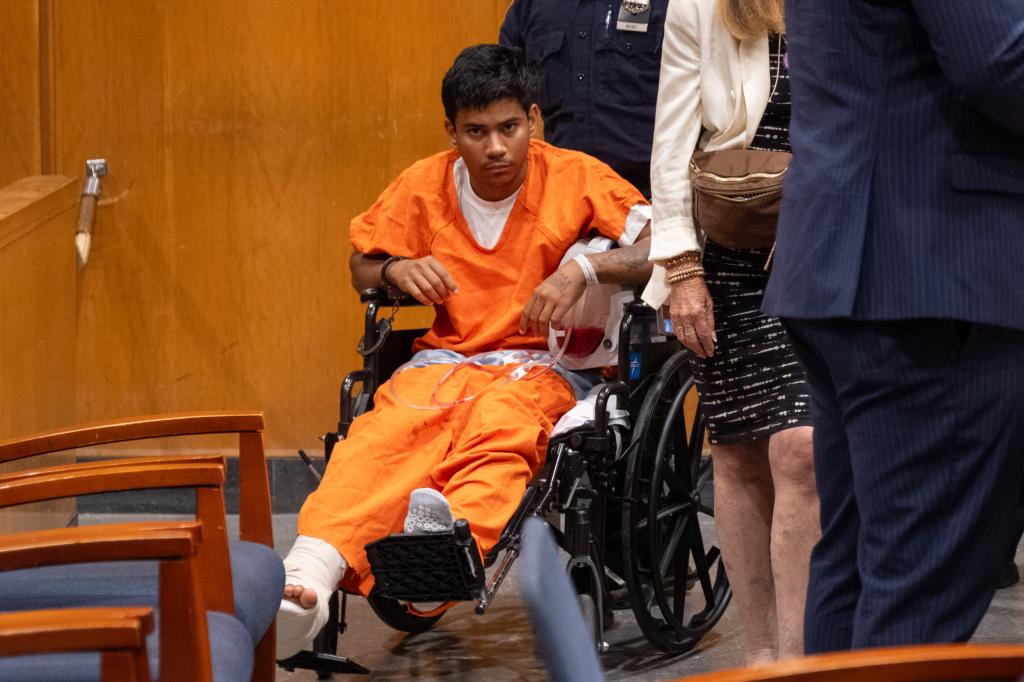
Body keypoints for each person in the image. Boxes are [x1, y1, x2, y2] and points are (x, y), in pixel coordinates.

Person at [275, 43, 655, 659]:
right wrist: (396, 269)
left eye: (509, 128)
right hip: (444, 361)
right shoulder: (423, 186)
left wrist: (585, 268)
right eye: (476, 132)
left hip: (542, 366)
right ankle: (307, 581)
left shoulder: (576, 176)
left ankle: (437, 563)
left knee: (500, 431)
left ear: (534, 120)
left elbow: (659, 245)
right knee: (381, 436)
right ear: (451, 131)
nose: (496, 147)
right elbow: (361, 266)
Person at [763, 0, 1024, 652]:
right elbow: (1000, 61)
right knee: (918, 588)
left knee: (858, 566)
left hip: (860, 260)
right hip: (927, 271)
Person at [641, 0, 819, 663]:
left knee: (802, 450)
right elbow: (671, 143)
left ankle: (800, 660)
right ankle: (762, 657)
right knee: (741, 454)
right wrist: (683, 270)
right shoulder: (697, 6)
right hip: (734, 249)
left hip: (823, 232)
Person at [499, 0, 668, 198]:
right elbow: (503, 98)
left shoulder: (672, 4)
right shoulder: (530, 6)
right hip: (564, 196)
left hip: (654, 197)